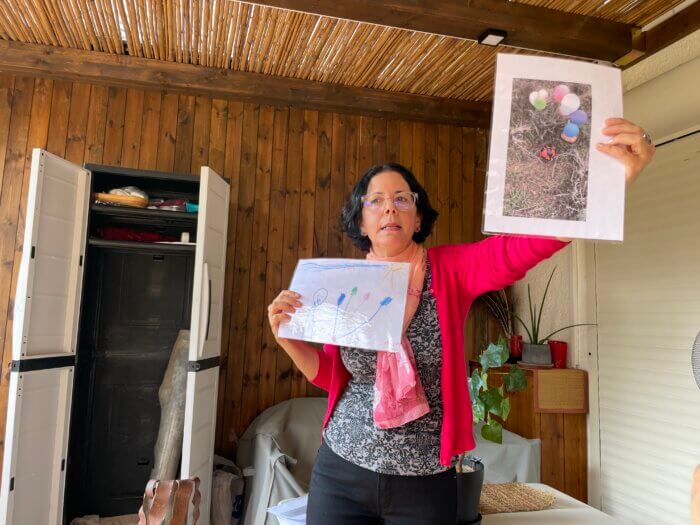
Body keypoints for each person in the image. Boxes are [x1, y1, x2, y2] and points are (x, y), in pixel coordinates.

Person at [267, 118, 655, 524]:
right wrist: (288, 338)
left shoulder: (451, 270)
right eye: (375, 200)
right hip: (341, 473)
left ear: (418, 219)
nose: (389, 207)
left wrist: (607, 187)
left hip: (425, 484)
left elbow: (518, 249)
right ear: (361, 223)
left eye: (403, 199)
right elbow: (334, 377)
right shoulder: (343, 285)